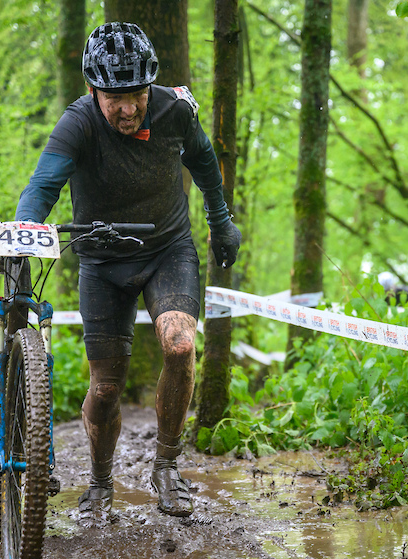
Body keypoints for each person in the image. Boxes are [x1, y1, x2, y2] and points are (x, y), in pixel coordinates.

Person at [14, 22, 241, 524]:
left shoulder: (174, 109)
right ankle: (99, 482)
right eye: (114, 98)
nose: (128, 108)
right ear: (94, 90)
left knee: (181, 346)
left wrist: (221, 220)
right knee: (107, 387)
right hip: (103, 260)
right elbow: (44, 184)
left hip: (168, 248)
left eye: (136, 94)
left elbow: (204, 161)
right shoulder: (77, 123)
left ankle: (166, 465)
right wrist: (24, 230)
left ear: (149, 86)